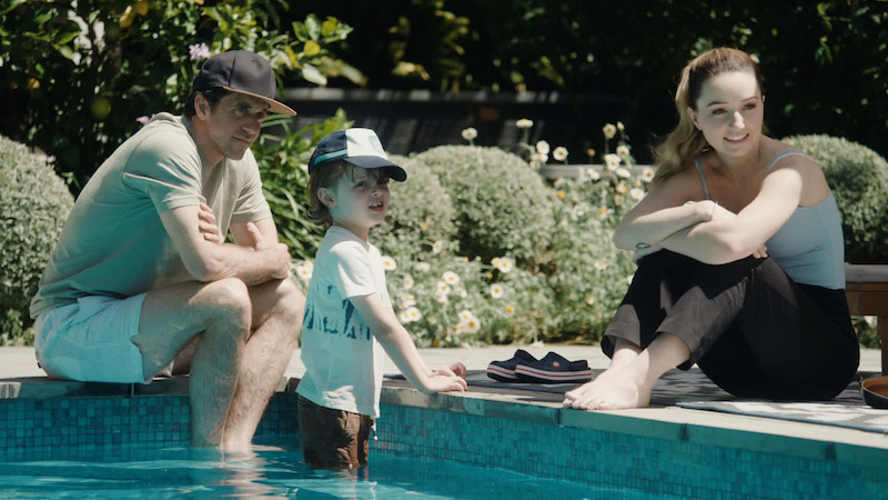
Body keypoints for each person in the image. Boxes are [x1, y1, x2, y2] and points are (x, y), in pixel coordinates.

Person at [29, 50, 304, 450]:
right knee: (227, 297)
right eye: (241, 109)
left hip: (152, 320)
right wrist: (246, 258)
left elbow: (272, 267)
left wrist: (239, 256)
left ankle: (234, 451)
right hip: (73, 327)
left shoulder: (239, 161)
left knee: (287, 301)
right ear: (202, 106)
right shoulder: (168, 147)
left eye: (260, 115)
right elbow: (215, 264)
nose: (251, 126)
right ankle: (207, 462)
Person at [563, 47, 859, 411]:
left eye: (749, 106)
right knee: (665, 256)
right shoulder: (697, 175)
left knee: (733, 256)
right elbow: (625, 235)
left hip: (818, 361)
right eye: (719, 111)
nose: (738, 123)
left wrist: (664, 235)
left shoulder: (792, 170)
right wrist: (698, 211)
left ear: (763, 104)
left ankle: (640, 376)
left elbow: (733, 244)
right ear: (695, 117)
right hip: (736, 370)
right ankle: (621, 371)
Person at [296, 128, 468, 470]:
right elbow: (385, 326)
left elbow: (384, 325)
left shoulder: (363, 251)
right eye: (360, 184)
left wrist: (426, 371)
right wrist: (424, 382)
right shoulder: (344, 251)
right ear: (327, 196)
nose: (377, 191)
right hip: (335, 406)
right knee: (339, 488)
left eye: (382, 182)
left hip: (342, 402)